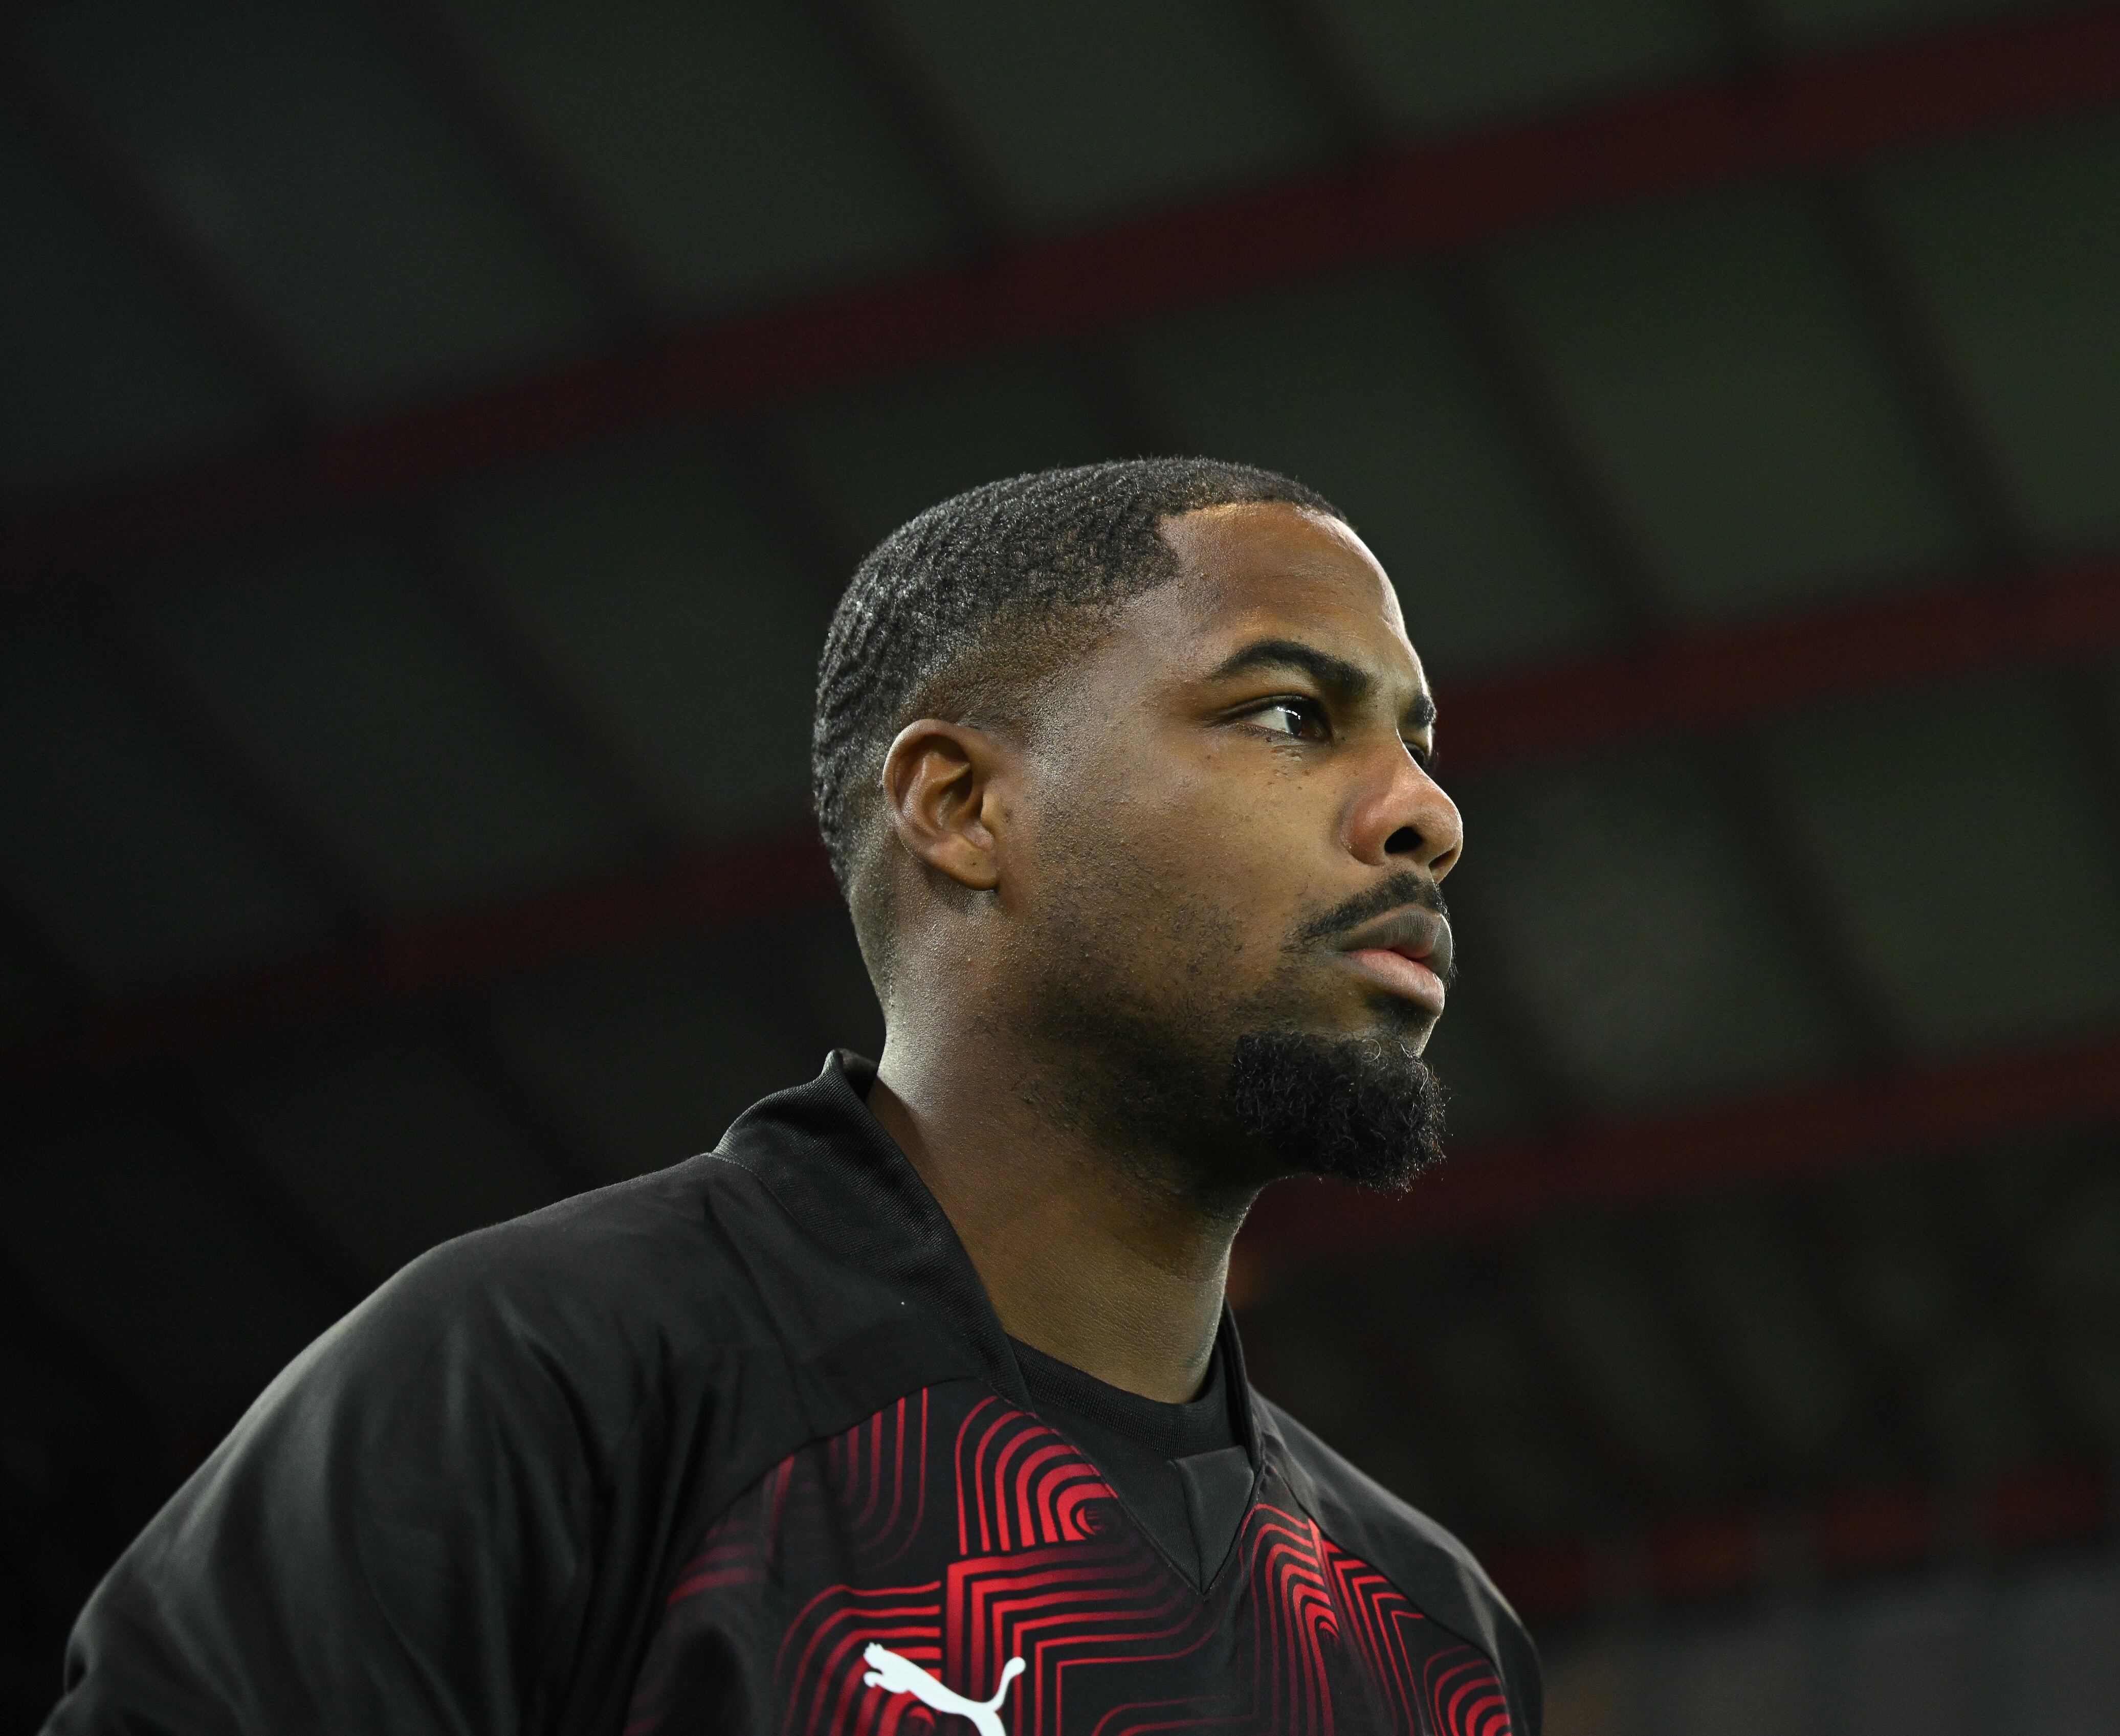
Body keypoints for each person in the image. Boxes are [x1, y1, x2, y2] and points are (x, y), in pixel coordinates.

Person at [47, 459, 1538, 1735]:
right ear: (962, 808)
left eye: (1417, 739)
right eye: (1291, 714)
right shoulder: (545, 1388)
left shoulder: (1441, 1650)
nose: (1426, 810)